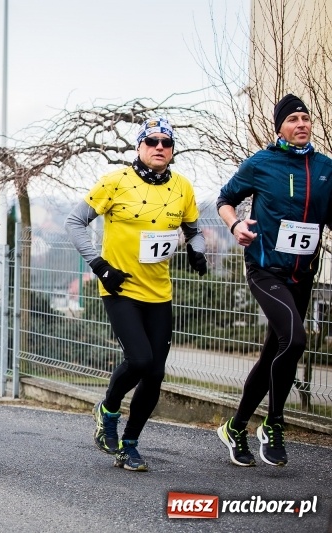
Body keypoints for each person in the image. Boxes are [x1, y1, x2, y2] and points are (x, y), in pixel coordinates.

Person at [65, 117, 207, 472]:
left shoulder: (183, 187)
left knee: (155, 374)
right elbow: (74, 222)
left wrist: (198, 249)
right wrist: (99, 265)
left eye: (166, 143)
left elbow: (194, 229)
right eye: (152, 141)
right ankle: (108, 408)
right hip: (120, 286)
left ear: (172, 150)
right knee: (140, 359)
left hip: (159, 292)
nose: (160, 147)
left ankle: (130, 444)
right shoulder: (115, 181)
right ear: (140, 147)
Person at [215, 94, 332, 468]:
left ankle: (235, 427)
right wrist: (235, 225)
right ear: (279, 127)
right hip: (266, 270)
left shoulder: (326, 168)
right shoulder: (261, 163)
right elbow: (225, 199)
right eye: (293, 119)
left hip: (303, 275)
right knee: (295, 339)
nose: (301, 124)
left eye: (305, 118)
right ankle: (275, 422)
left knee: (274, 353)